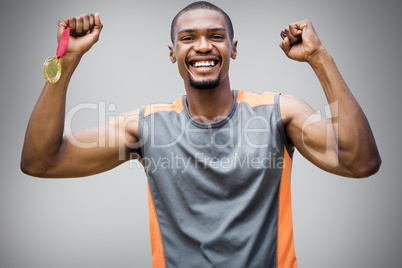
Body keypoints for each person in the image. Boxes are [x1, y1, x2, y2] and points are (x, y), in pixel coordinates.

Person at [21, 1, 381, 267]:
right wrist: (65, 64)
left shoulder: (279, 113)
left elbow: (360, 161)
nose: (203, 46)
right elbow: (41, 162)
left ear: (233, 49)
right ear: (173, 52)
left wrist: (319, 57)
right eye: (188, 38)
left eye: (216, 36)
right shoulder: (147, 126)